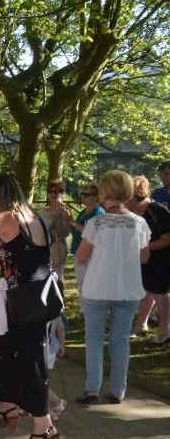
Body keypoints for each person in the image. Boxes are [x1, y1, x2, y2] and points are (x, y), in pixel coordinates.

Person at [0, 176, 61, 439]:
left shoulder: (4, 218)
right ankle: (9, 406)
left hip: (22, 302)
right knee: (8, 355)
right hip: (35, 298)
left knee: (28, 363)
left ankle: (44, 426)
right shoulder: (34, 217)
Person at [76, 170, 152, 405]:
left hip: (98, 288)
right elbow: (145, 257)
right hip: (127, 289)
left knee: (94, 338)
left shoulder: (97, 223)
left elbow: (82, 255)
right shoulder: (139, 223)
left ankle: (92, 389)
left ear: (104, 192)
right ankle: (118, 390)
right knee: (120, 340)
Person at [129, 175, 170, 343]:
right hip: (145, 260)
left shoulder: (157, 211)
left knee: (161, 294)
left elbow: (166, 240)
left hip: (162, 260)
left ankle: (165, 331)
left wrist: (142, 247)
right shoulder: (134, 212)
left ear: (135, 196)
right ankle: (141, 325)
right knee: (146, 291)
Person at [69, 182, 104, 290]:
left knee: (87, 285)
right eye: (82, 194)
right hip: (77, 250)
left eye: (87, 195)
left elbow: (92, 233)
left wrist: (73, 222)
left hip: (88, 253)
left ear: (96, 197)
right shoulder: (84, 211)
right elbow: (75, 231)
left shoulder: (98, 212)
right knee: (81, 284)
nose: (83, 197)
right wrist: (68, 220)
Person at [41, 180, 72, 281]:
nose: (53, 194)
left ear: (61, 192)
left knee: (57, 276)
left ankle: (59, 291)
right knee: (46, 276)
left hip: (58, 245)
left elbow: (67, 232)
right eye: (50, 191)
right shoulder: (45, 210)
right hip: (45, 246)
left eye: (56, 191)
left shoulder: (65, 210)